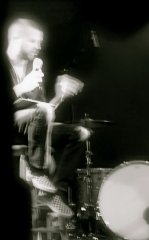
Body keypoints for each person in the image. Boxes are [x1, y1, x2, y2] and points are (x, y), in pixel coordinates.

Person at [5, 18, 90, 217]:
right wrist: (22, 88)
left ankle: (52, 192)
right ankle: (37, 172)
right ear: (16, 39)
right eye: (33, 41)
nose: (38, 46)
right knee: (40, 111)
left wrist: (59, 95)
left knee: (80, 133)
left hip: (31, 130)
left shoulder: (32, 70)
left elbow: (43, 115)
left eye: (40, 43)